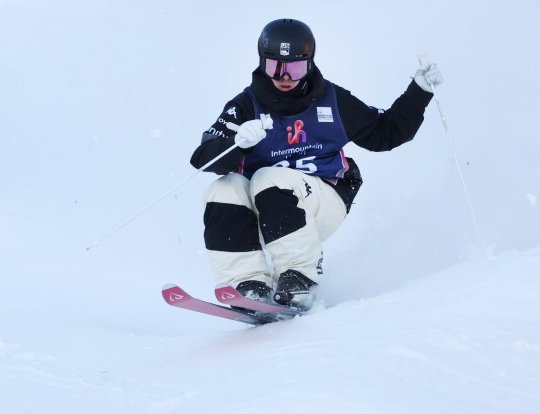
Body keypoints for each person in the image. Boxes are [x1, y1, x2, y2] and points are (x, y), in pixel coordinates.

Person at [190, 18, 443, 310]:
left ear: (309, 64)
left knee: (269, 178)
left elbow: (385, 133)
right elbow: (203, 157)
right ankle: (248, 285)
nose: (285, 77)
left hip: (323, 199)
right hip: (265, 213)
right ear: (262, 64)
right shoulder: (245, 106)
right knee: (224, 187)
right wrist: (235, 145)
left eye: (295, 68)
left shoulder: (332, 101)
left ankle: (298, 277)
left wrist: (419, 92)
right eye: (275, 67)